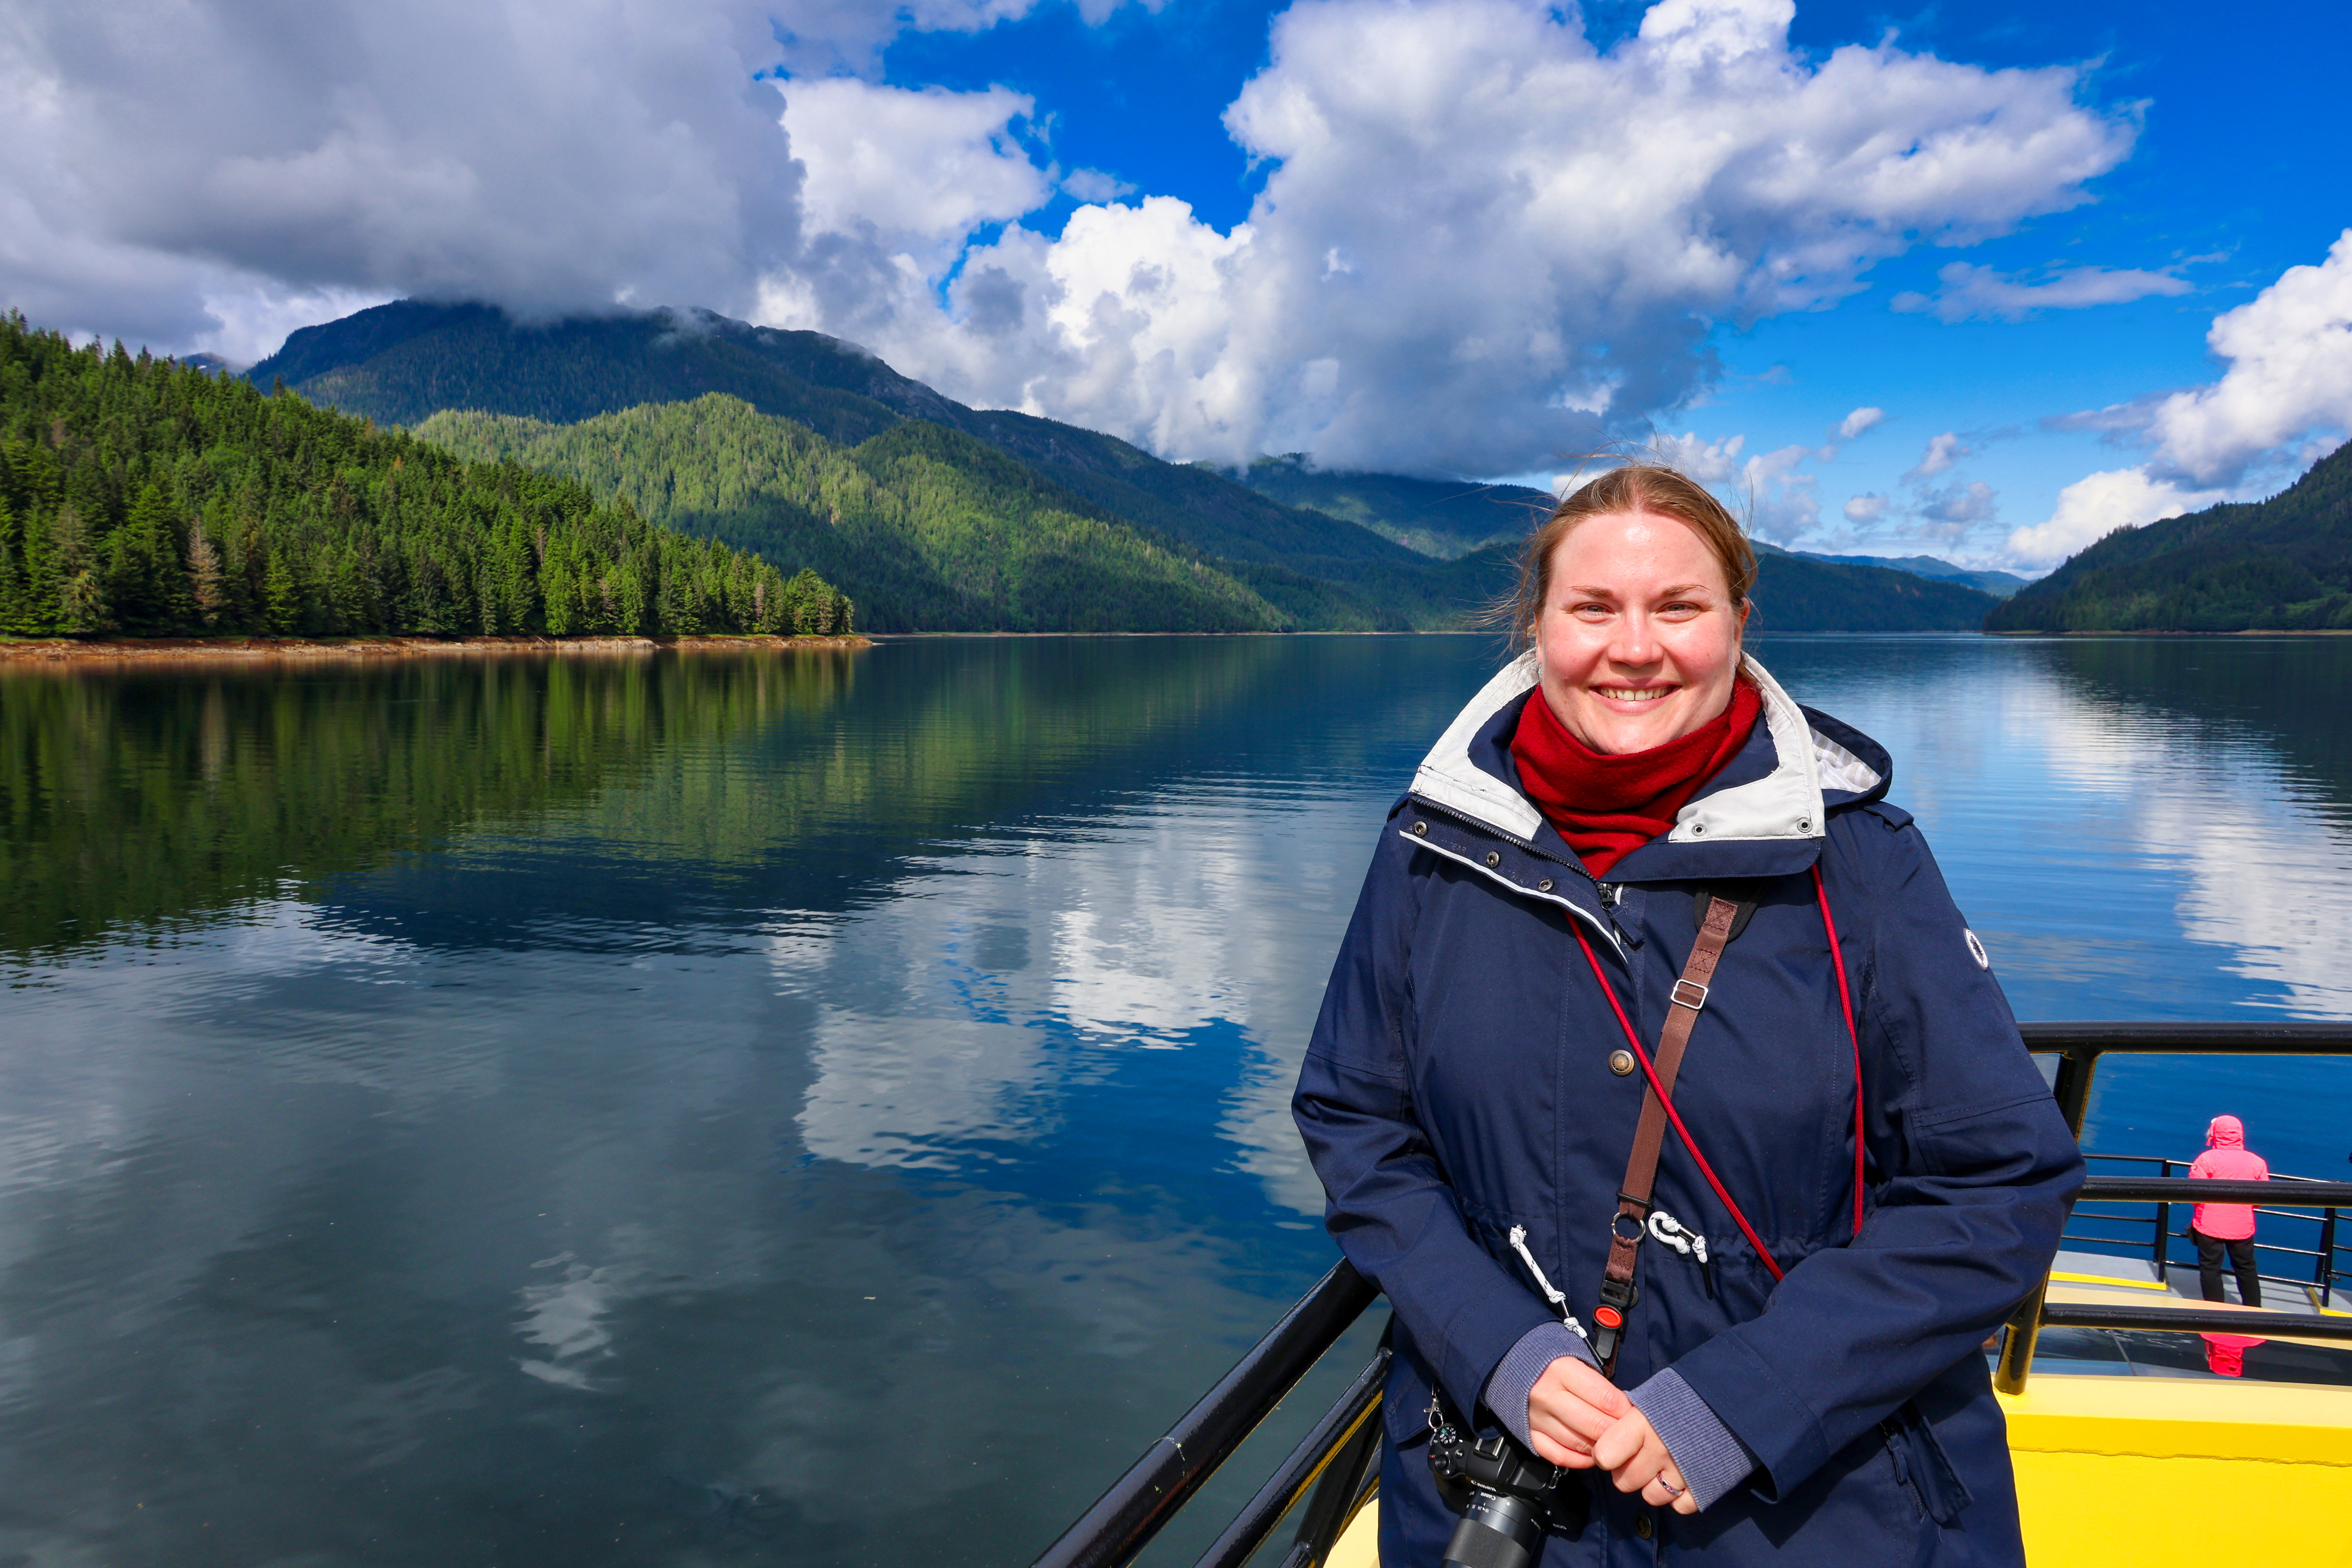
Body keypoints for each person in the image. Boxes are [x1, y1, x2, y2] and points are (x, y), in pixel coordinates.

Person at [1292, 464, 2084, 1564]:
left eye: (1678, 607)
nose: (1634, 647)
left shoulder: (1859, 866)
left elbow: (1999, 1179)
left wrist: (1749, 1399)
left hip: (1818, 1511)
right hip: (1502, 1505)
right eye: (1593, 609)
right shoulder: (1431, 854)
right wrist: (1498, 1351)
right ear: (1537, 624)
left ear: (1738, 623)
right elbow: (1357, 1123)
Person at [2187, 1115, 2267, 1307]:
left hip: (2209, 1225)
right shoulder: (2256, 1162)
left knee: (2210, 1269)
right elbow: (2262, 1197)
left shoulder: (2206, 1159)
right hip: (2242, 1226)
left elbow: (2192, 1193)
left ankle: (2216, 1313)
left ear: (2215, 1134)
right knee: (2246, 1268)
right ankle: (2254, 1311)